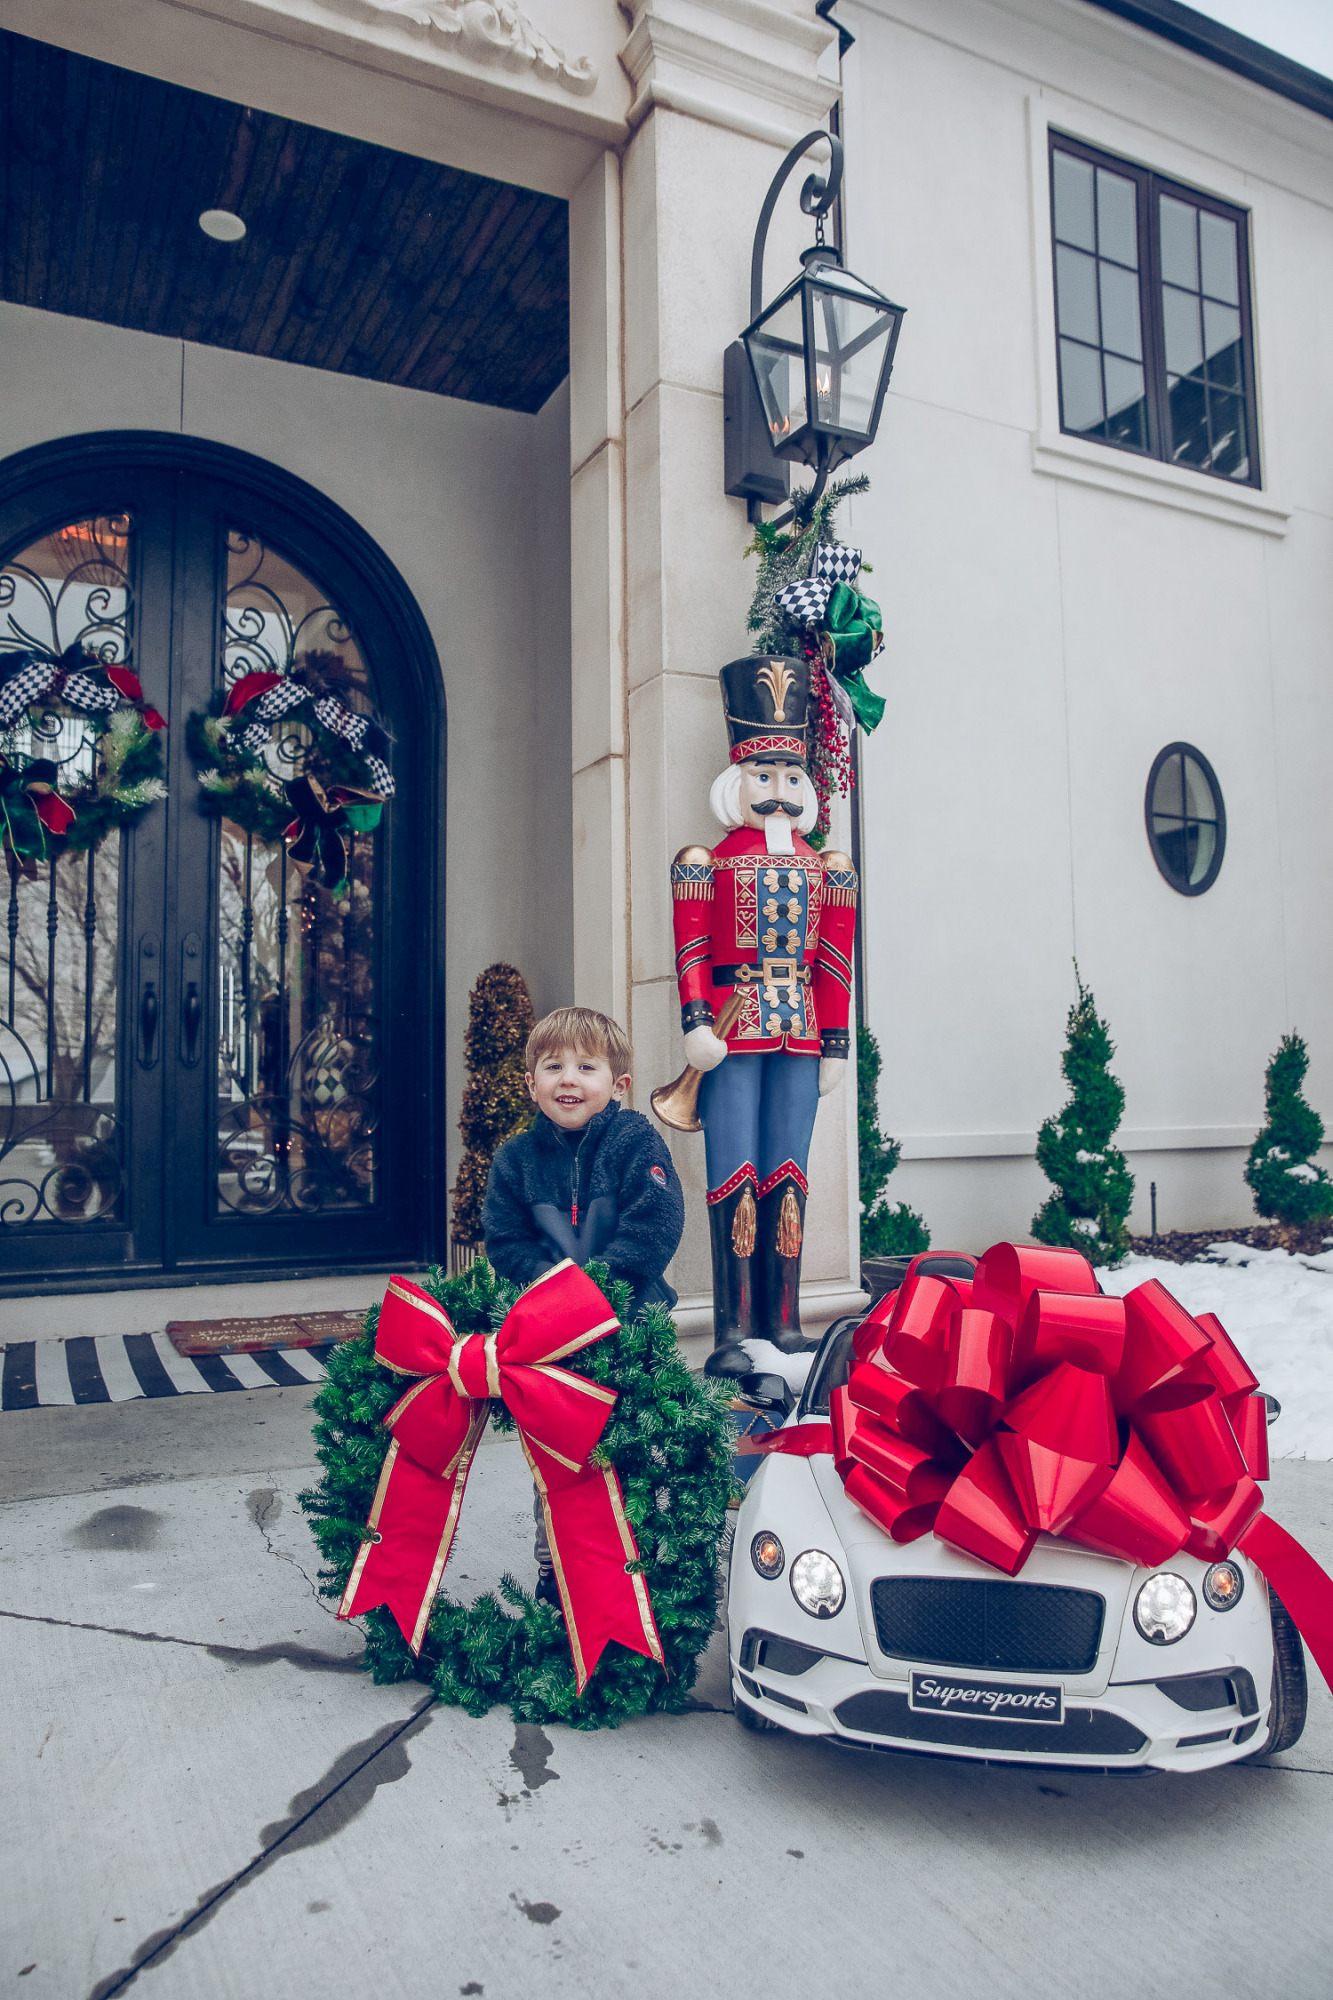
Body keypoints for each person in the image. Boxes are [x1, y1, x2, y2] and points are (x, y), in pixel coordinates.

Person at [668, 654, 858, 1378]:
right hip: (732, 1029)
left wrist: (835, 1043)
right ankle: (732, 1326)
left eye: (788, 778)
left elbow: (835, 959)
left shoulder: (828, 867)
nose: (777, 792)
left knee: (790, 1168)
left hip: (802, 1034)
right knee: (732, 1166)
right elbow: (689, 945)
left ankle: (781, 1321)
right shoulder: (702, 862)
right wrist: (694, 1019)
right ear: (736, 782)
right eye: (764, 777)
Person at [482, 1004, 685, 1604]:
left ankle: (639, 1561)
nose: (568, 1078)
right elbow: (506, 1241)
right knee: (559, 1457)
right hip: (551, 1338)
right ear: (531, 1083)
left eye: (586, 1066)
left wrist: (597, 1292)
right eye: (553, 1066)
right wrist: (556, 1296)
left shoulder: (634, 1143)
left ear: (617, 1084)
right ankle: (556, 1569)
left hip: (631, 1325)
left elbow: (654, 1226)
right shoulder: (515, 1161)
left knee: (631, 1448)